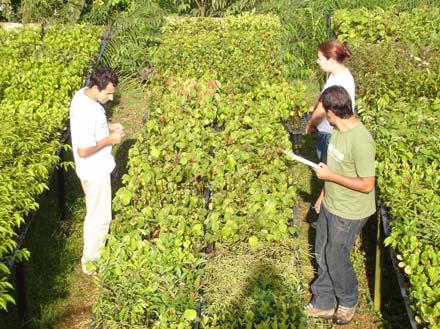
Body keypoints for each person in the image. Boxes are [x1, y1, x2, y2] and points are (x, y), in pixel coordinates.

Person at [305, 85, 375, 325]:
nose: (325, 117)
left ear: (333, 112)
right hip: (331, 203)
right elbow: (335, 167)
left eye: (325, 112)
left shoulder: (361, 140)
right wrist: (324, 193)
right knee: (322, 250)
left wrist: (330, 178)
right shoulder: (338, 131)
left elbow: (367, 185)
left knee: (336, 257)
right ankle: (323, 302)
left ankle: (348, 298)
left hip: (350, 212)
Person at [69, 66, 124, 274]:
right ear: (95, 87)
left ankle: (92, 259)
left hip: (95, 169)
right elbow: (83, 150)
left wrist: (108, 127)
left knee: (95, 212)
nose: (111, 98)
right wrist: (110, 140)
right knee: (99, 218)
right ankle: (93, 263)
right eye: (108, 93)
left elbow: (92, 128)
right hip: (94, 172)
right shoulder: (86, 111)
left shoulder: (83, 96)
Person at [305, 39, 355, 164]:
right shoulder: (337, 74)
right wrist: (314, 106)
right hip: (335, 130)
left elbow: (322, 111)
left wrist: (311, 124)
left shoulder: (338, 81)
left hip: (330, 133)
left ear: (331, 61)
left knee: (327, 168)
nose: (317, 61)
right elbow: (324, 96)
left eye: (320, 58)